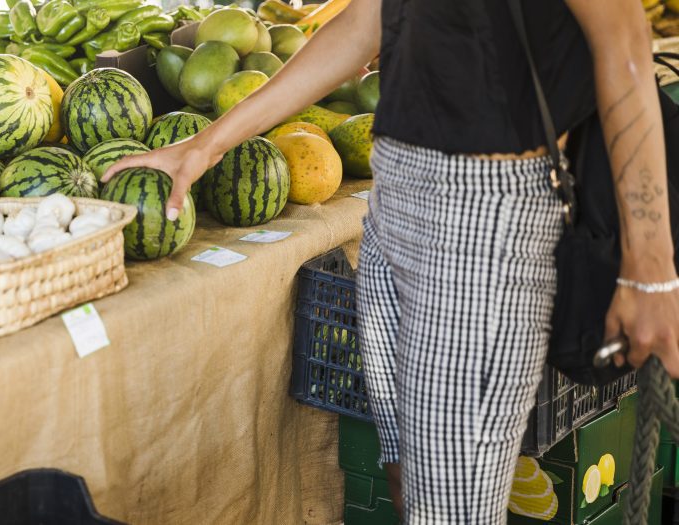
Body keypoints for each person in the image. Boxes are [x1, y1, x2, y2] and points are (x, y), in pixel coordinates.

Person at [103, 0, 679, 521]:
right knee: (406, 477)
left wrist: (650, 269)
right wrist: (208, 144)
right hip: (392, 207)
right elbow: (365, 23)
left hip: (481, 226)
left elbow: (623, 42)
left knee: (449, 512)